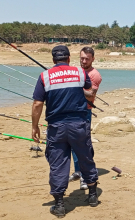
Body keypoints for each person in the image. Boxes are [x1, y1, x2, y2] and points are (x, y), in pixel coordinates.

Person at [31, 45, 99, 217]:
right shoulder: (80, 73)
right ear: (69, 59)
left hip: (56, 127)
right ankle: (92, 196)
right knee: (85, 157)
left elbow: (37, 104)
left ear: (53, 60)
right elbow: (89, 92)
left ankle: (60, 204)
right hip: (79, 125)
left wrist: (34, 126)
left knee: (58, 163)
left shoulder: (44, 76)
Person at [69, 47, 102, 190]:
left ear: (93, 59)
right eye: (82, 58)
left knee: (83, 144)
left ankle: (85, 174)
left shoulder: (95, 75)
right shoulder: (78, 71)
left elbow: (91, 94)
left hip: (85, 112)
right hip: (74, 111)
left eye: (87, 58)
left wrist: (73, 86)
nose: (84, 61)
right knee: (72, 143)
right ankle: (78, 170)